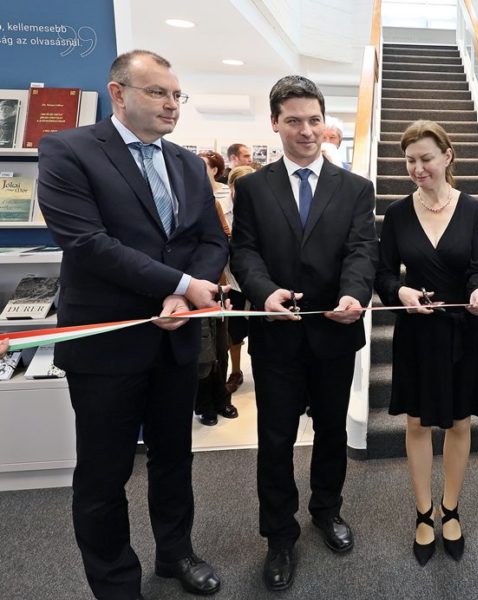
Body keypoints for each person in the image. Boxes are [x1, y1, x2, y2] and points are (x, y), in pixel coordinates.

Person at [37, 49, 228, 599]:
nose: (171, 104)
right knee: (104, 474)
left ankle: (176, 553)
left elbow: (211, 240)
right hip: (108, 346)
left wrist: (184, 293)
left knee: (174, 460)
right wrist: (180, 284)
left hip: (175, 340)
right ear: (118, 94)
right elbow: (86, 243)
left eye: (176, 95)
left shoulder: (187, 163)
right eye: (157, 92)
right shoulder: (68, 150)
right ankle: (116, 583)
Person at [230, 74, 377, 592]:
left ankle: (327, 510)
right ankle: (279, 535)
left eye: (314, 120)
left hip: (336, 332)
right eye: (294, 121)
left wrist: (355, 294)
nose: (307, 131)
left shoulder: (355, 188)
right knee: (275, 439)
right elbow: (243, 251)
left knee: (332, 432)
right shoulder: (253, 187)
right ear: (275, 123)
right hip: (277, 336)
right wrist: (263, 290)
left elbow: (362, 251)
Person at [375, 120, 478, 565]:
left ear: (447, 156)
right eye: (410, 161)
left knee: (460, 423)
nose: (417, 168)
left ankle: (451, 509)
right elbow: (383, 274)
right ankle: (424, 513)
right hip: (416, 334)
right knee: (417, 424)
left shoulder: (474, 211)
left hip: (462, 331)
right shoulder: (397, 213)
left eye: (426, 158)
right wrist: (400, 292)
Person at [193, 150, 239, 426]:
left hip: (217, 285)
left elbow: (222, 239)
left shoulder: (211, 204)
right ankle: (204, 405)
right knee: (201, 350)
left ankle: (222, 398)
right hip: (187, 289)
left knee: (220, 344)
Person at [223, 165, 256, 395]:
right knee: (233, 334)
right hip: (231, 282)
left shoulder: (261, 209)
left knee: (261, 331)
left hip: (257, 282)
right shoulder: (220, 212)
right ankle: (235, 371)